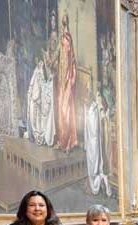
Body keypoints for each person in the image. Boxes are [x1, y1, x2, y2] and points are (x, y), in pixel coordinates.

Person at [56, 14, 77, 151]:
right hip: (61, 78)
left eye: (65, 22)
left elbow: (72, 60)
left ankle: (69, 142)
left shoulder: (68, 38)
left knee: (66, 111)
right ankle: (62, 141)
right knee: (60, 111)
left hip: (68, 78)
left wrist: (72, 77)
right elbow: (59, 59)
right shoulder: (61, 39)